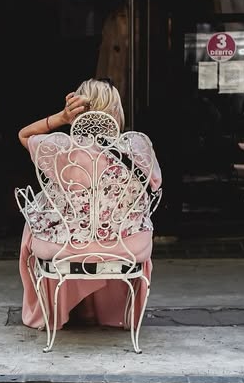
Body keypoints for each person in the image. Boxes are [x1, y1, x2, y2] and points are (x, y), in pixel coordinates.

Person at [16, 79, 162, 330]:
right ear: (116, 110)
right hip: (128, 246)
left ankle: (54, 312)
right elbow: (155, 186)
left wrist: (61, 117)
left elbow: (24, 134)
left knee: (36, 218)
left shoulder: (62, 149)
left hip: (67, 248)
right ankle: (109, 311)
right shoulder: (137, 146)